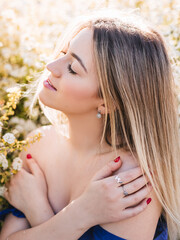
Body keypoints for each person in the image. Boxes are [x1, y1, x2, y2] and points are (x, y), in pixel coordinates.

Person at [0, 8, 180, 240]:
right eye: (64, 52)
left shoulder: (131, 179)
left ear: (109, 102)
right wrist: (77, 215)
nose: (52, 66)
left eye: (73, 69)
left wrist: (44, 211)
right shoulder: (39, 144)